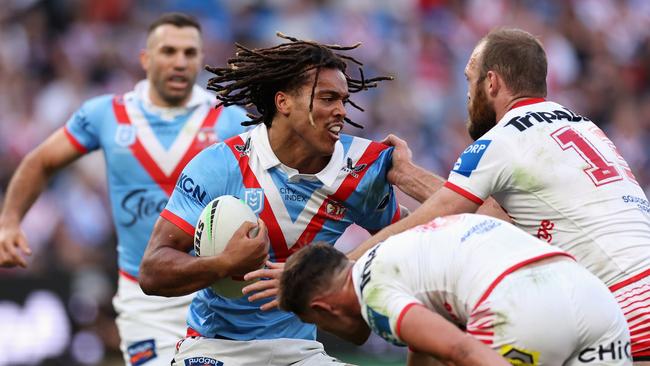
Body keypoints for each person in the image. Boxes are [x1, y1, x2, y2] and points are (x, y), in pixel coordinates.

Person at [347, 27, 650, 363]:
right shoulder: (585, 128)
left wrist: (339, 267)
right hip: (627, 295)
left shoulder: (501, 140)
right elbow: (493, 220)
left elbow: (443, 219)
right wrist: (406, 174)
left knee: (455, 343)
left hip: (622, 310)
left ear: (491, 83)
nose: (466, 94)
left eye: (469, 79)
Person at [138, 33, 404, 366]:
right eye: (327, 98)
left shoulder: (361, 169)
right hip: (215, 349)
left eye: (343, 100)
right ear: (284, 103)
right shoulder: (221, 165)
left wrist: (345, 276)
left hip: (300, 353)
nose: (340, 111)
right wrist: (224, 264)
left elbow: (409, 236)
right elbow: (151, 272)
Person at [0, 13, 249, 366]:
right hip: (142, 295)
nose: (179, 62)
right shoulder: (106, 115)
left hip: (212, 291)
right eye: (168, 51)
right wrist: (9, 222)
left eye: (190, 53)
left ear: (200, 59)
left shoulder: (230, 120)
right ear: (145, 58)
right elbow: (41, 161)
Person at [282, 214, 633, 366]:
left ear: (322, 310)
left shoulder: (372, 295)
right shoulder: (403, 250)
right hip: (592, 298)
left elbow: (461, 349)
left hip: (519, 307)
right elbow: (424, 342)